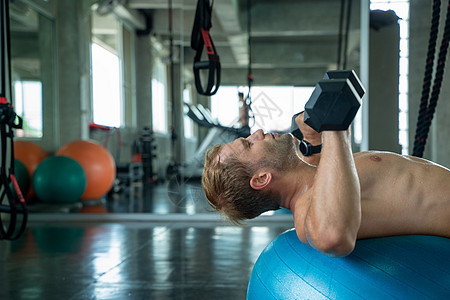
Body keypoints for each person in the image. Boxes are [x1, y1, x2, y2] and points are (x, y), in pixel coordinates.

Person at [202, 112, 450, 257]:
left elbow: (329, 169)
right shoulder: (308, 210)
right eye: (248, 144)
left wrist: (316, 137)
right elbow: (331, 236)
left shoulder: (322, 175)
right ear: (262, 178)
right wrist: (335, 128)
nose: (255, 133)